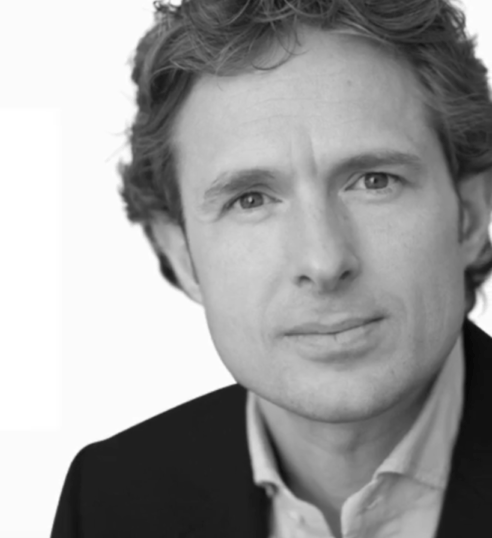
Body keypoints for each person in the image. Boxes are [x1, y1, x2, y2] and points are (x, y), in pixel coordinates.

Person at [51, 0, 492, 536]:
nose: (324, 262)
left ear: (470, 216)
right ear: (181, 255)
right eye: (251, 199)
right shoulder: (111, 499)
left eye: (375, 181)